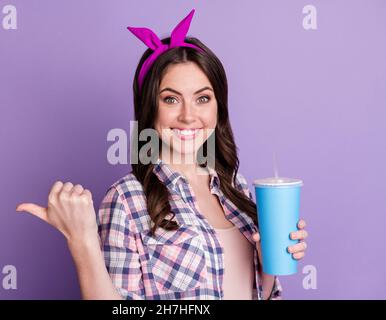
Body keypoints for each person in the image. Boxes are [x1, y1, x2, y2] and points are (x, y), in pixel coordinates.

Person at [16, 9, 308, 300]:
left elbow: (260, 295)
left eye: (202, 98)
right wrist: (82, 241)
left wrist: (268, 263)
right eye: (171, 99)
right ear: (150, 109)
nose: (188, 115)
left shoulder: (236, 188)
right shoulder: (127, 200)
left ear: (218, 107)